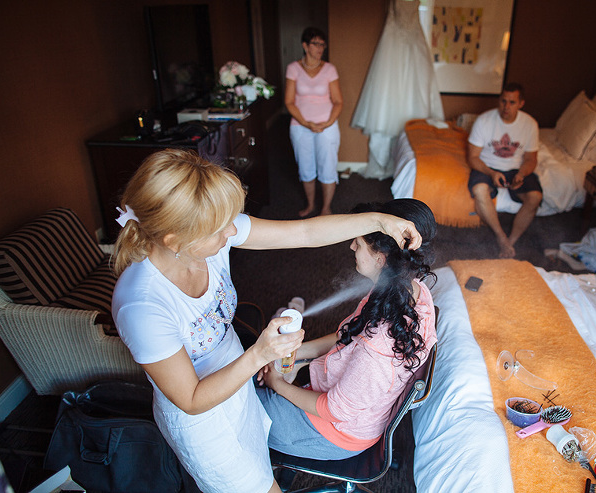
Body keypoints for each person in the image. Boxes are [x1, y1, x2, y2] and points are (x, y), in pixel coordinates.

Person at [110, 149, 422, 493]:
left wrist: (379, 222)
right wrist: (259, 354)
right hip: (204, 422)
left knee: (262, 465)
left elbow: (303, 233)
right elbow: (192, 399)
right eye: (220, 227)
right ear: (177, 240)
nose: (233, 230)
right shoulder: (141, 306)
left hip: (239, 384)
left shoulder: (205, 236)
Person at [256, 198, 437, 461]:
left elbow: (333, 410)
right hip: (342, 402)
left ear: (380, 258)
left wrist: (277, 384)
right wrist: (293, 353)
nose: (351, 244)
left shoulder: (377, 351)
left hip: (333, 432)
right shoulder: (408, 289)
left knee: (233, 412)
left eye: (359, 242)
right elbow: (350, 334)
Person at [466, 82, 542, 258]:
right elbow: (472, 157)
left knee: (535, 196)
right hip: (487, 166)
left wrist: (521, 174)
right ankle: (501, 237)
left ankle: (511, 242)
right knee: (479, 190)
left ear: (521, 103)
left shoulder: (530, 124)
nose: (506, 107)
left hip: (516, 168)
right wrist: (491, 173)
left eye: (512, 102)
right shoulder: (484, 120)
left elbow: (531, 159)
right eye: (503, 101)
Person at [285, 27, 343, 217]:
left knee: (327, 167)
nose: (320, 48)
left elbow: (338, 101)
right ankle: (310, 205)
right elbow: (289, 101)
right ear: (305, 45)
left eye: (322, 44)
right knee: (306, 168)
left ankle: (326, 207)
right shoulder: (293, 68)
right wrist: (306, 123)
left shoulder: (329, 69)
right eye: (315, 44)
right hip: (301, 126)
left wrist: (326, 124)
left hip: (327, 126)